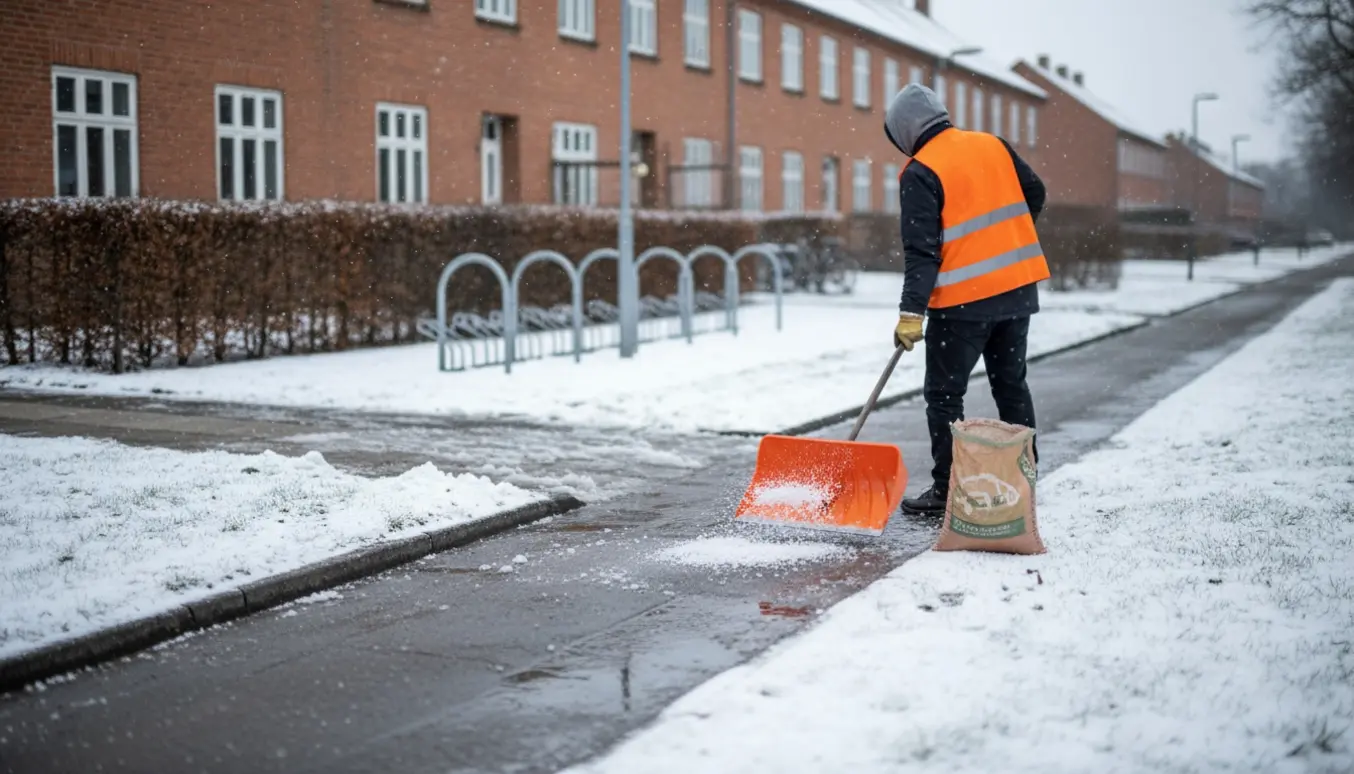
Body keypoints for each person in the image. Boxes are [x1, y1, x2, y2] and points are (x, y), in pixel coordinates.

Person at [882, 83, 1050, 516]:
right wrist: (1003, 242)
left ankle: (947, 490)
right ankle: (1025, 476)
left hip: (962, 305)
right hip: (1017, 292)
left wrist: (910, 314)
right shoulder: (993, 146)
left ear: (905, 131)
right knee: (1011, 385)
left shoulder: (921, 170)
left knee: (944, 395)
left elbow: (922, 252)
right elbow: (1036, 194)